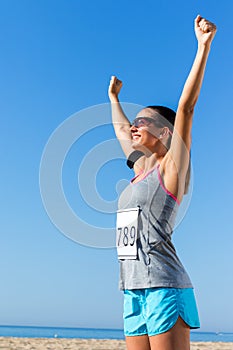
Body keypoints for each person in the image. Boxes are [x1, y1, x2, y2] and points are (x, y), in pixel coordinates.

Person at [108, 15, 217, 350]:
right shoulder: (139, 167)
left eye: (144, 121)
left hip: (164, 286)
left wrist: (202, 47)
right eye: (135, 121)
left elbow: (186, 108)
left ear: (164, 132)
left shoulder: (171, 170)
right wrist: (113, 98)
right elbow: (122, 133)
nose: (135, 126)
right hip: (132, 288)